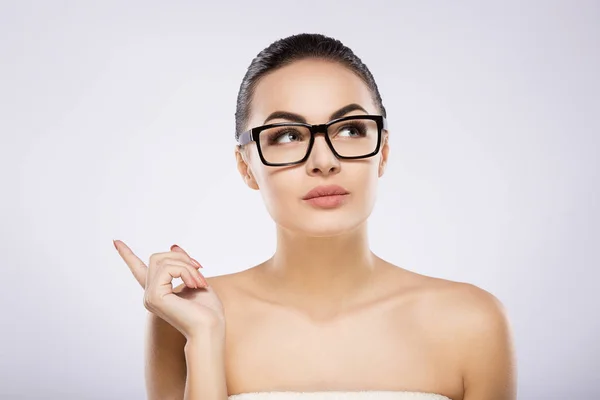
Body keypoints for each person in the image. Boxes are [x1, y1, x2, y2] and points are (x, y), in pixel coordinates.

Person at [114, 33, 516, 400]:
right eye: (286, 135)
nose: (324, 161)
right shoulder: (185, 317)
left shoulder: (471, 322)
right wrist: (203, 337)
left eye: (351, 129)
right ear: (246, 167)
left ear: (384, 152)